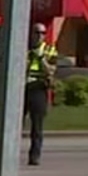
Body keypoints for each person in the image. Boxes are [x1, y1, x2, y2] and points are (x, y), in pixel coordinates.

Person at [24, 21, 58, 166]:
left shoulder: (50, 50)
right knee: (13, 125)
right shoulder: (23, 48)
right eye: (37, 32)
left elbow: (50, 70)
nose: (39, 36)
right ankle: (8, 153)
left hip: (38, 89)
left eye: (43, 33)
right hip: (22, 89)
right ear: (31, 33)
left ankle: (34, 156)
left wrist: (40, 57)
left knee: (37, 127)